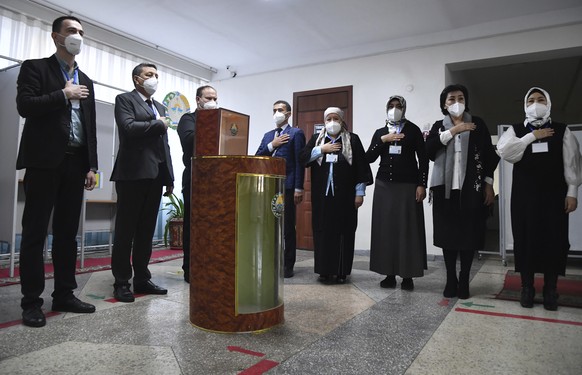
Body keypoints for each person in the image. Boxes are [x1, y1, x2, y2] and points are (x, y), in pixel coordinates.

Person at [15, 16, 98, 327]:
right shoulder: (35, 67)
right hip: (43, 161)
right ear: (56, 36)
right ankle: (31, 302)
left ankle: (64, 293)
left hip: (75, 164)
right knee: (35, 234)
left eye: (81, 32)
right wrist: (63, 94)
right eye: (71, 31)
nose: (77, 36)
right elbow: (25, 105)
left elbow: (88, 126)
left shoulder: (86, 79)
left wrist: (92, 166)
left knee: (66, 234)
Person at [497, 87, 582, 311]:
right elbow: (506, 152)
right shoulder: (515, 130)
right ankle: (527, 287)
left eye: (540, 99)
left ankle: (550, 289)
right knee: (526, 240)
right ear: (525, 106)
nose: (536, 104)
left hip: (554, 197)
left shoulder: (562, 130)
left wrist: (572, 192)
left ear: (549, 103)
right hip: (524, 198)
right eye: (531, 100)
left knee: (554, 241)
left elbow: (571, 162)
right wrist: (531, 136)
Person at [426, 84, 499, 300]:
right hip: (444, 191)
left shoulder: (478, 124)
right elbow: (429, 150)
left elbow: (489, 156)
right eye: (451, 99)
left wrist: (488, 184)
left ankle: (464, 278)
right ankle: (451, 279)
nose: (456, 102)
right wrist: (454, 131)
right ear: (443, 104)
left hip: (472, 189)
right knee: (448, 237)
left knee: (469, 236)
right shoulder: (439, 126)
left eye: (460, 98)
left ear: (466, 101)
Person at [110, 63, 174, 302]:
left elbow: (164, 145)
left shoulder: (160, 106)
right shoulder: (124, 100)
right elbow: (128, 128)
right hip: (132, 174)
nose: (154, 79)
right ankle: (122, 282)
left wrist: (169, 176)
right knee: (126, 231)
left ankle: (142, 279)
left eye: (157, 75)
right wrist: (159, 124)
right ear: (137, 79)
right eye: (149, 75)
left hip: (156, 175)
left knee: (146, 231)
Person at [299, 107, 373, 284]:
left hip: (345, 198)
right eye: (328, 119)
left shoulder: (352, 140)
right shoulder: (317, 140)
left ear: (342, 121)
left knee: (344, 232)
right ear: (324, 121)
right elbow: (303, 158)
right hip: (322, 197)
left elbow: (361, 168)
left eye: (336, 119)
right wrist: (320, 150)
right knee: (323, 232)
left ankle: (341, 271)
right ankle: (324, 271)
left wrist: (359, 193)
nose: (332, 122)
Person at [366, 95, 428, 290]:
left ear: (404, 108)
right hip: (384, 186)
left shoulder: (413, 130)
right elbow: (368, 157)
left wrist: (421, 184)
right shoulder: (380, 132)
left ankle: (408, 276)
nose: (394, 109)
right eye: (391, 106)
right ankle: (389, 274)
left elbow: (424, 159)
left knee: (408, 230)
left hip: (408, 186)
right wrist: (383, 140)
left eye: (398, 106)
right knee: (386, 230)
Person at [256, 100, 306, 278]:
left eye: (281, 110)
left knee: (287, 228)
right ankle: (271, 261)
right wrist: (273, 145)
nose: (277, 113)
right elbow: (258, 156)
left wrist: (299, 187)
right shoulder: (269, 135)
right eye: (274, 110)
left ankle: (288, 265)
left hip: (288, 186)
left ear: (289, 113)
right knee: (270, 227)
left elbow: (300, 162)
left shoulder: (296, 133)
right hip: (268, 187)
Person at [177, 85, 218, 283]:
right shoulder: (188, 119)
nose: (212, 101)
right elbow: (190, 140)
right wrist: (209, 123)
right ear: (198, 100)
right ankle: (190, 270)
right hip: (194, 177)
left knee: (212, 226)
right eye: (208, 98)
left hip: (216, 179)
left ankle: (209, 265)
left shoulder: (219, 121)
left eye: (215, 98)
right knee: (193, 225)